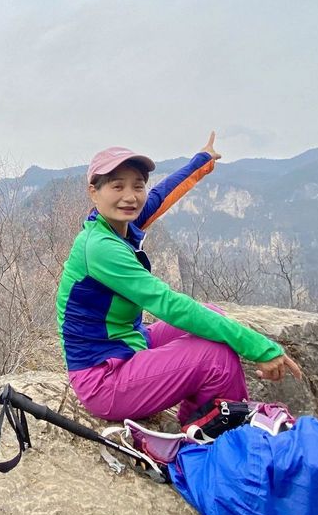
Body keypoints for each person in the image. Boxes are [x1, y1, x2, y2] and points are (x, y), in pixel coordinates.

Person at [56, 132, 302, 426]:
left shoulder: (116, 224)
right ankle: (220, 432)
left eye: (137, 185)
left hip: (129, 343)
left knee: (212, 314)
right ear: (93, 192)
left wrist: (202, 161)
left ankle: (198, 422)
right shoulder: (99, 247)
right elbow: (169, 304)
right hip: (104, 379)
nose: (130, 196)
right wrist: (257, 346)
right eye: (117, 186)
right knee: (215, 357)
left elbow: (161, 196)